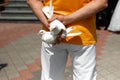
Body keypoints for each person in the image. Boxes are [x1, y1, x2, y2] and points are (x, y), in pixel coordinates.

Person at [27, 0, 107, 80]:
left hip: (52, 35)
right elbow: (101, 2)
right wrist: (68, 19)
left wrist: (53, 26)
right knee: (85, 77)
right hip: (82, 33)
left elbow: (32, 1)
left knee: (50, 77)